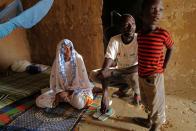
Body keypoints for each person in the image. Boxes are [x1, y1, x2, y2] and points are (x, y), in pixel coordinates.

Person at [134, 0, 174, 131]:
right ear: (141, 14)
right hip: (142, 75)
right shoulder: (139, 35)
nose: (157, 12)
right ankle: (149, 120)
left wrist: (164, 66)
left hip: (154, 76)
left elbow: (171, 48)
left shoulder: (162, 34)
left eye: (160, 9)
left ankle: (155, 126)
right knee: (146, 101)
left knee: (157, 104)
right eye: (153, 9)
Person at [90, 14, 141, 114]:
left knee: (133, 77)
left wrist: (114, 73)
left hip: (135, 74)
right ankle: (125, 87)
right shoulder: (114, 40)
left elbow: (141, 66)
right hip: (121, 72)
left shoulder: (139, 39)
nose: (131, 27)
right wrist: (105, 95)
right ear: (120, 28)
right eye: (127, 25)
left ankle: (137, 92)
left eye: (133, 24)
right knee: (94, 74)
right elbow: (105, 69)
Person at [36, 39, 94, 109]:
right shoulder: (57, 62)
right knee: (39, 101)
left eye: (70, 48)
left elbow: (83, 82)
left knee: (79, 103)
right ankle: (62, 99)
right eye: (65, 49)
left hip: (75, 91)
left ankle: (67, 99)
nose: (68, 51)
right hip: (61, 91)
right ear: (60, 50)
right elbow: (55, 84)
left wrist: (68, 93)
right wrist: (59, 93)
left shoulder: (78, 58)